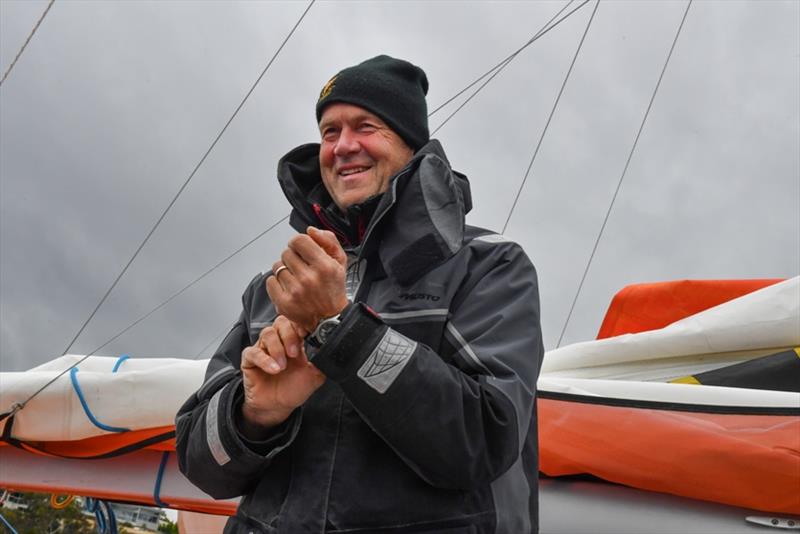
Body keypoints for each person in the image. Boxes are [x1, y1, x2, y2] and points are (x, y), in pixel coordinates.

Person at [176, 55, 544, 534]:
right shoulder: (275, 289)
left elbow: (484, 442)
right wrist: (255, 413)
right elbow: (202, 464)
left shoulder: (490, 265)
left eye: (365, 126)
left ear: (410, 143)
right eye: (329, 132)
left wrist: (339, 328)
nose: (342, 146)